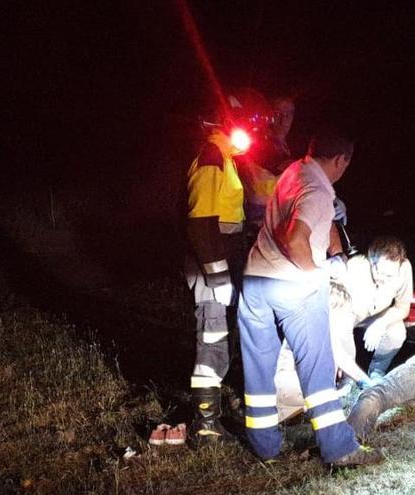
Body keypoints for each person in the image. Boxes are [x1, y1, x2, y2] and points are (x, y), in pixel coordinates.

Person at [237, 131, 380, 466]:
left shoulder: (294, 173)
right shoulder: (316, 191)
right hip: (293, 286)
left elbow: (317, 217)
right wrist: (319, 273)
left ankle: (265, 447)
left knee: (259, 369)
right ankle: (339, 448)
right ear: (341, 160)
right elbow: (295, 238)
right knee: (317, 368)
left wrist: (336, 252)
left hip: (256, 281)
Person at [182, 92, 256, 443]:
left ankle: (214, 414)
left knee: (220, 334)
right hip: (211, 264)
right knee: (211, 336)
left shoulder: (224, 157)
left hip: (222, 260)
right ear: (225, 122)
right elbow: (200, 222)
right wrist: (217, 273)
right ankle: (206, 423)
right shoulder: (212, 157)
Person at [274, 279, 374, 422]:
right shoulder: (314, 329)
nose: (346, 318)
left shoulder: (315, 325)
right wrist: (371, 386)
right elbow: (342, 360)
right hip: (291, 394)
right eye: (343, 312)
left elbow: (342, 359)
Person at [346, 236, 414, 380]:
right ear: (371, 259)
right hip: (347, 318)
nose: (382, 278)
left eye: (389, 275)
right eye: (378, 271)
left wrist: (380, 323)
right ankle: (345, 377)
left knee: (397, 332)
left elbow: (402, 308)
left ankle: (377, 371)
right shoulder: (354, 268)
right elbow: (337, 323)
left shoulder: (405, 268)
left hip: (374, 315)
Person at [238, 93, 296, 248]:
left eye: (288, 115)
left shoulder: (282, 145)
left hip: (271, 223)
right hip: (257, 226)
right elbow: (283, 165)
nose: (283, 120)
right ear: (268, 115)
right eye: (278, 114)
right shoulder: (260, 140)